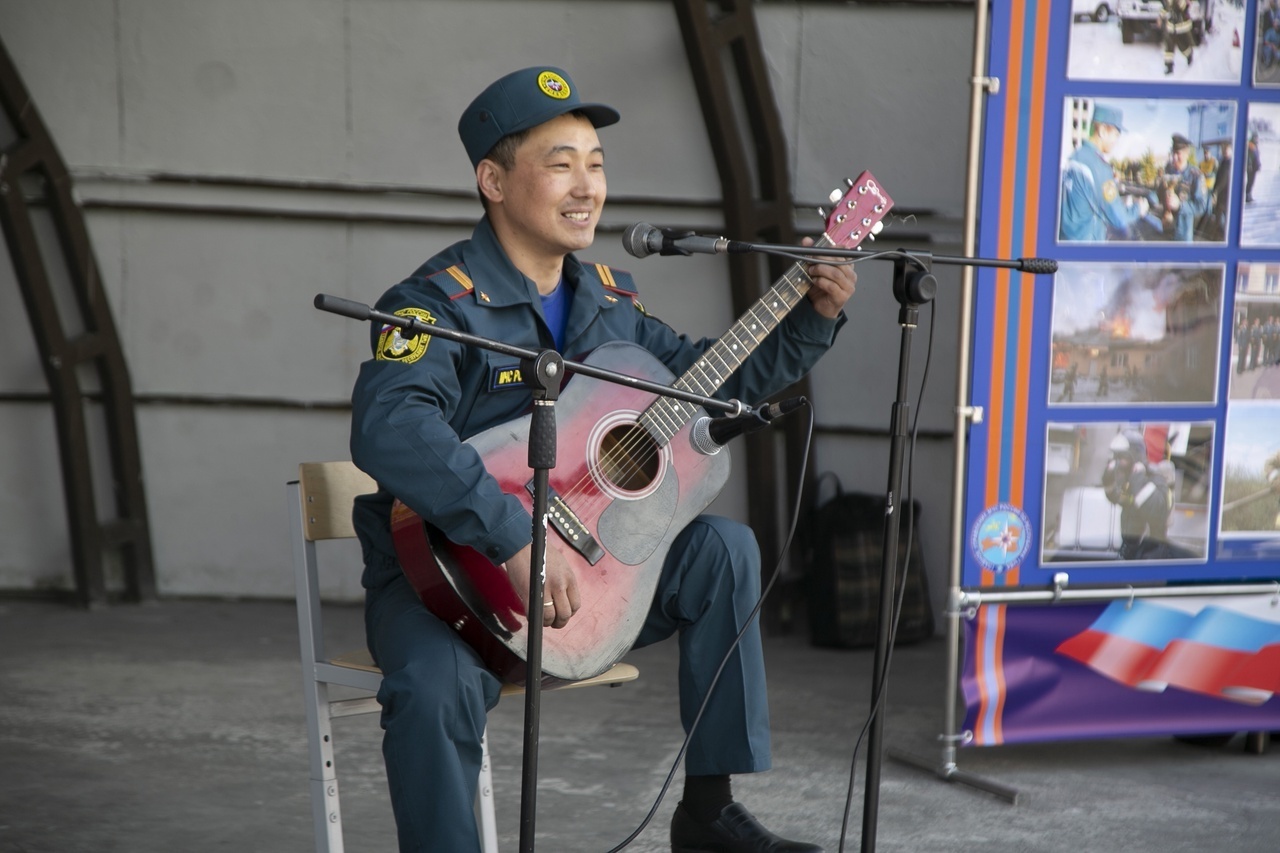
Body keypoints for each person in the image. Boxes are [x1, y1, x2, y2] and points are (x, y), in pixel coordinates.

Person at [348, 66, 855, 852]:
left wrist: (813, 319)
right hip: (446, 588)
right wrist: (508, 535)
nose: (587, 186)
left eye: (597, 162)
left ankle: (708, 812)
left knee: (723, 549)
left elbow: (712, 387)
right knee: (431, 685)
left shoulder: (608, 302)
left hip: (587, 585)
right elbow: (390, 426)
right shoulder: (433, 304)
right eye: (560, 163)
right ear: (492, 180)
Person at [1059, 104, 1148, 242]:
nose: (1117, 141)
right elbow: (1118, 218)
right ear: (1102, 131)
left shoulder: (1075, 157)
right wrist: (1138, 209)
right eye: (1116, 135)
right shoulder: (1098, 166)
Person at [1101, 430, 1174, 560]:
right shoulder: (1131, 479)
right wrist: (1109, 481)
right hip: (1131, 549)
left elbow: (1157, 512)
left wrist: (1138, 480)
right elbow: (1122, 500)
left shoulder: (1154, 478)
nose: (1118, 462)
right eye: (1116, 457)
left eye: (1121, 457)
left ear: (1134, 456)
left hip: (1151, 552)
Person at [1160, 133, 1211, 242]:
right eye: (1173, 153)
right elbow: (1160, 193)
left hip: (1183, 235)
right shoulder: (1168, 171)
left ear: (1187, 154)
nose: (1174, 157)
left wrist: (1180, 205)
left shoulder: (1196, 175)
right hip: (1166, 230)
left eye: (1178, 153)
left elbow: (1201, 206)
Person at [1161, 0, 1196, 75]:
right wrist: (1161, 16)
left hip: (1181, 27)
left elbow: (1183, 7)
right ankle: (1169, 66)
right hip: (1171, 27)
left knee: (1182, 46)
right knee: (1169, 46)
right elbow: (1166, 8)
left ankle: (1189, 55)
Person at [1246, 133, 1261, 203]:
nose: (1257, 139)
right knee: (1250, 182)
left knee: (1252, 182)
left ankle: (1249, 195)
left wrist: (1259, 165)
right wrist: (1249, 165)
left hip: (1255, 167)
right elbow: (1249, 156)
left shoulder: (1255, 145)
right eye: (1256, 138)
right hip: (1251, 168)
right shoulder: (1251, 145)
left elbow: (1257, 157)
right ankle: (1247, 196)